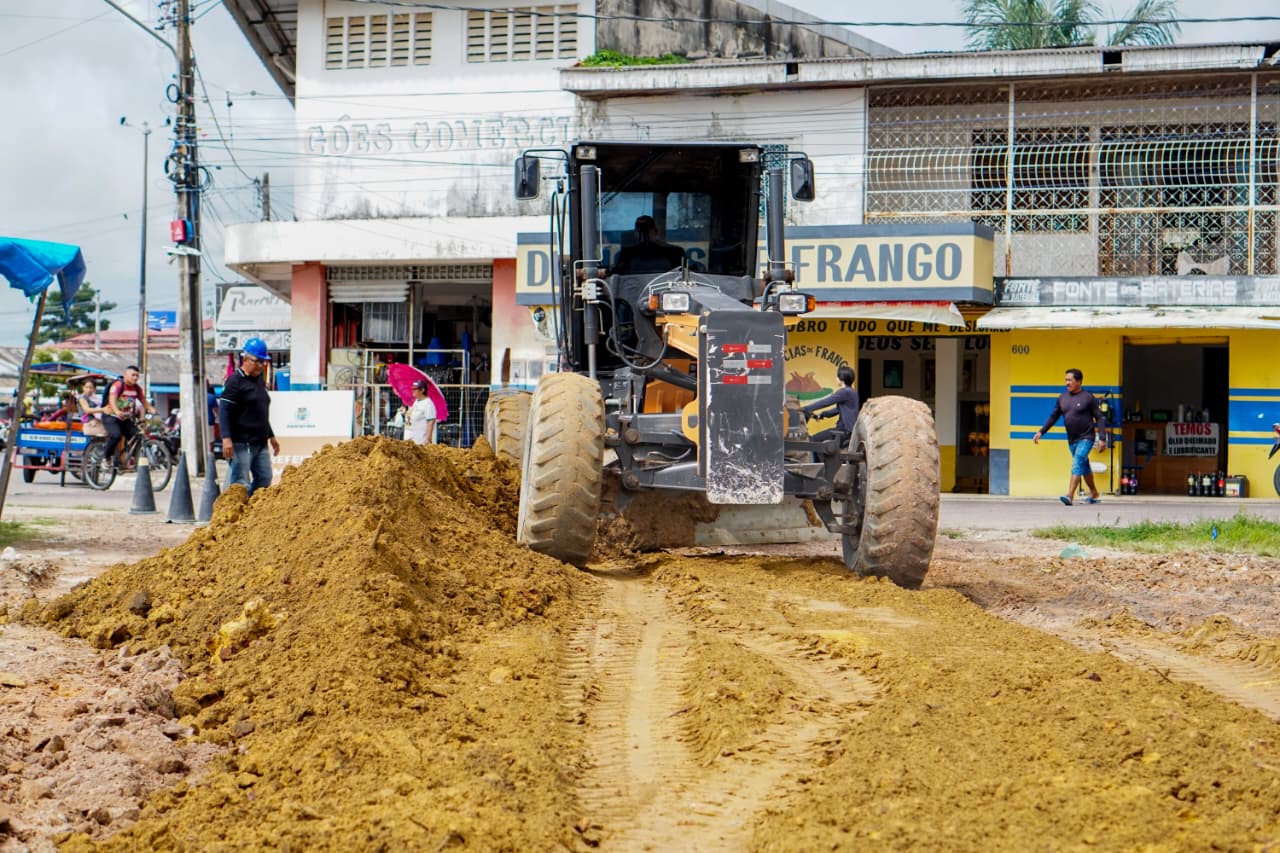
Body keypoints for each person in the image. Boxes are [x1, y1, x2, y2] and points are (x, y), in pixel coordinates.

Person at [1033, 368, 1106, 506]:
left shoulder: (1088, 397)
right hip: (1072, 439)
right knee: (1084, 466)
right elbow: (1053, 417)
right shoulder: (1062, 398)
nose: (1067, 383)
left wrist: (1102, 438)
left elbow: (1099, 417)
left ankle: (1069, 495)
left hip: (1087, 437)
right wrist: (1041, 431)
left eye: (1070, 380)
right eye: (1066, 380)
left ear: (1079, 381)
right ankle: (1094, 492)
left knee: (1077, 462)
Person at [218, 337, 279, 496]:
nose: (261, 365)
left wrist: (271, 436)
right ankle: (234, 510)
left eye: (263, 362)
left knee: (264, 479)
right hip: (241, 442)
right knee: (241, 483)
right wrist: (226, 438)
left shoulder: (258, 380)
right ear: (245, 359)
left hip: (260, 441)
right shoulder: (235, 381)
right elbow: (224, 410)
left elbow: (260, 412)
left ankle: (253, 508)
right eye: (257, 361)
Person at [103, 365, 157, 468]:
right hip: (111, 416)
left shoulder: (137, 388)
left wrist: (151, 409)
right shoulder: (118, 385)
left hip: (125, 418)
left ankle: (134, 461)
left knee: (137, 436)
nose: (135, 378)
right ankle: (106, 458)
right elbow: (112, 400)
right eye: (133, 375)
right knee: (116, 435)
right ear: (125, 375)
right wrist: (117, 411)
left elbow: (144, 401)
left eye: (137, 376)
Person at [801, 364, 860, 445]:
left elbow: (826, 402)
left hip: (844, 431)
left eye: (837, 377)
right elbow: (837, 410)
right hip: (847, 431)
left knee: (812, 441)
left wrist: (805, 408)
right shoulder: (852, 392)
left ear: (841, 379)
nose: (836, 378)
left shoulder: (845, 392)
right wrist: (822, 415)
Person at [614, 215, 685, 274]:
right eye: (640, 231)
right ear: (635, 233)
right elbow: (618, 276)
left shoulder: (676, 252)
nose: (644, 235)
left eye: (647, 231)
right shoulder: (627, 254)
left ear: (656, 232)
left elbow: (683, 276)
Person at [405, 378, 437, 445]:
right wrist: (406, 413)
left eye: (415, 389)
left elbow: (431, 421)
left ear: (422, 390)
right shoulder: (417, 401)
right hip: (412, 438)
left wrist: (428, 439)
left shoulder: (428, 404)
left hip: (420, 440)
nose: (413, 391)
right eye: (412, 389)